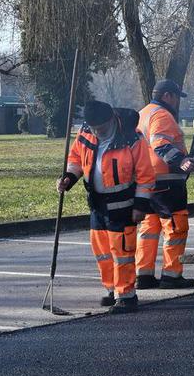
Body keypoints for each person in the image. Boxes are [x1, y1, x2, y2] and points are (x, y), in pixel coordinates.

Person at [57, 100, 155, 313]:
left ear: (112, 119)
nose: (97, 133)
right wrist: (68, 178)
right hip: (97, 204)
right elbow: (75, 159)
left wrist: (140, 205)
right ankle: (112, 290)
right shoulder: (86, 133)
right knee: (101, 250)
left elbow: (146, 176)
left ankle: (127, 296)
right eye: (94, 129)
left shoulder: (132, 138)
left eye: (101, 128)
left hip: (123, 205)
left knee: (122, 252)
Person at [135, 80, 194, 290]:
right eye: (176, 97)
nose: (178, 102)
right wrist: (181, 161)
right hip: (166, 182)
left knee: (149, 228)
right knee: (175, 227)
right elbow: (160, 144)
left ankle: (143, 275)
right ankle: (171, 275)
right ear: (167, 96)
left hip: (146, 182)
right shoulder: (162, 115)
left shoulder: (143, 113)